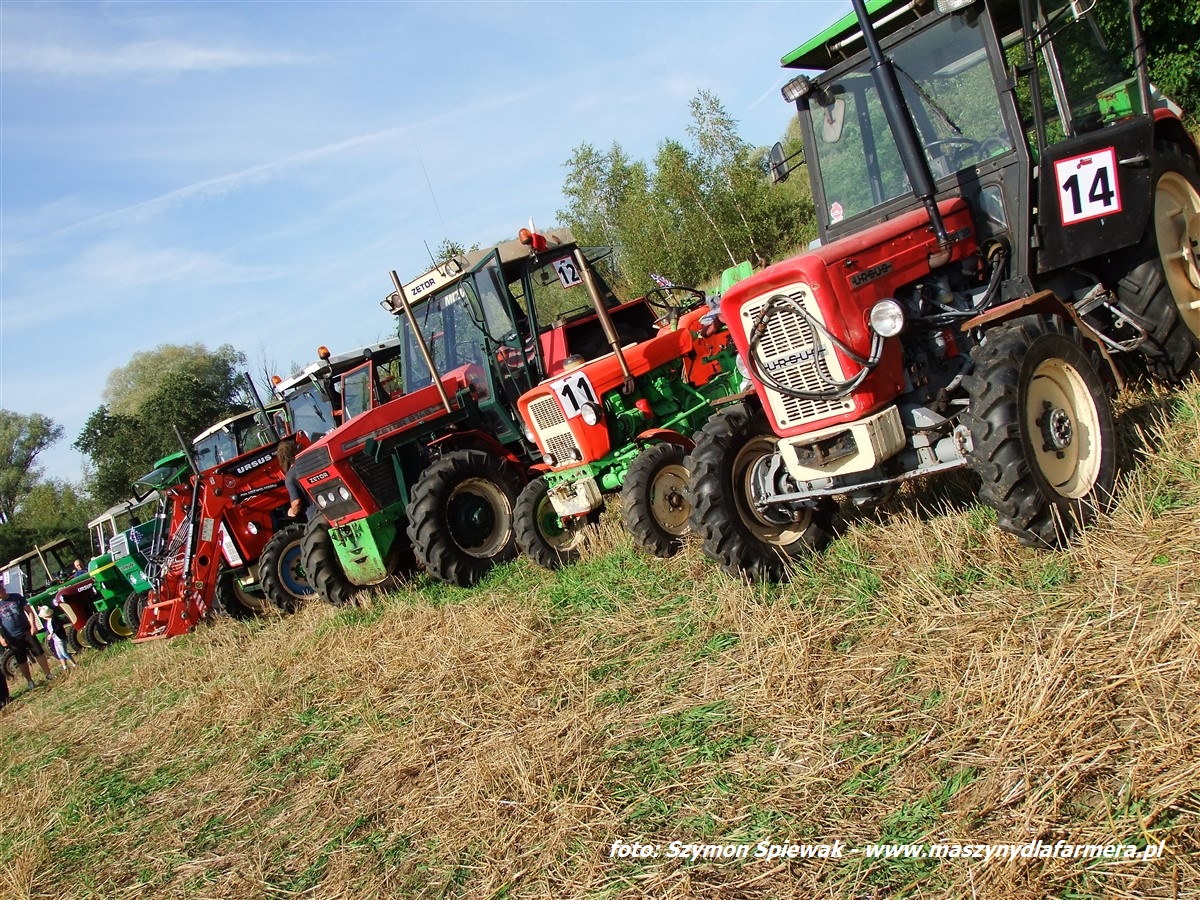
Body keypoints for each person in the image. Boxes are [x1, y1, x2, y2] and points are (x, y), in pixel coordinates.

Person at [0, 580, 54, 690]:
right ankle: (30, 681)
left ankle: (48, 674)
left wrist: (33, 625)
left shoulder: (16, 597)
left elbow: (29, 611)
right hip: (12, 637)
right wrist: (1, 638)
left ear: (3, 589)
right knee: (21, 660)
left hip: (26, 631)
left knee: (38, 652)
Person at [276, 439, 313, 521]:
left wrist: (292, 512)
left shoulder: (290, 477)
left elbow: (296, 502)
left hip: (314, 515)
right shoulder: (311, 464)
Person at [38, 605, 77, 673]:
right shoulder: (49, 621)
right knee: (60, 654)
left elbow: (58, 628)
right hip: (55, 639)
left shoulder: (55, 620)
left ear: (45, 616)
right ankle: (65, 667)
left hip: (59, 638)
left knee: (64, 653)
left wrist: (52, 633)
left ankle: (74, 664)